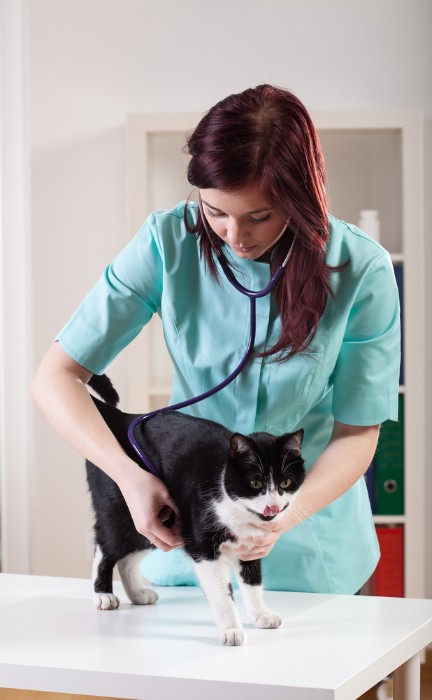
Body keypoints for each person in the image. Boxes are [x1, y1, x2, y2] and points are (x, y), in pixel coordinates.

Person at [31, 84, 400, 594]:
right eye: (215, 212)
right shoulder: (166, 242)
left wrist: (279, 520)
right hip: (190, 540)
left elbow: (358, 433)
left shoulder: (361, 268)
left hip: (312, 549)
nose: (235, 236)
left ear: (300, 197)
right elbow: (55, 378)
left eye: (260, 216)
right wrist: (128, 476)